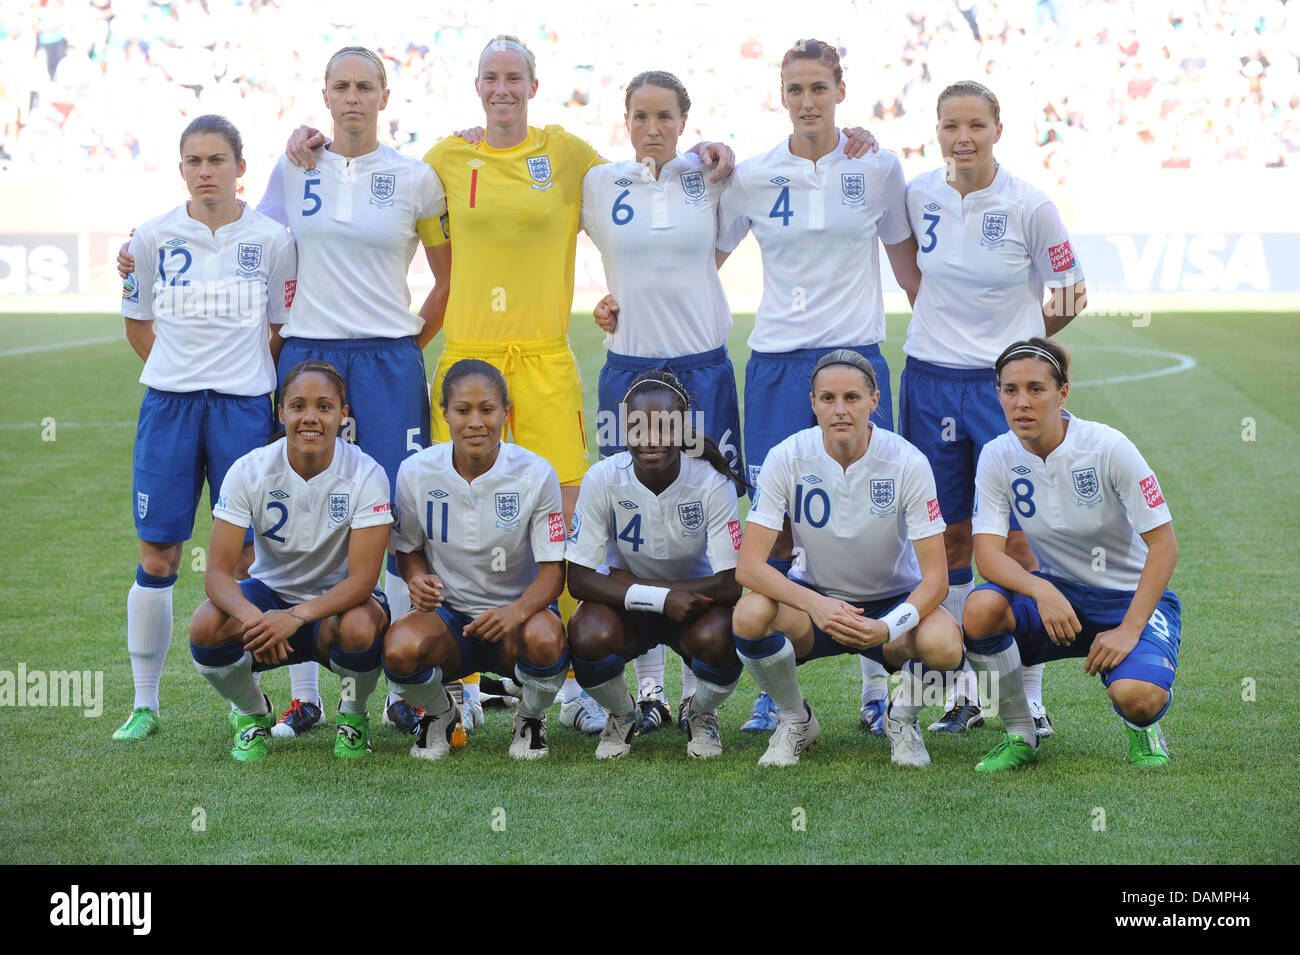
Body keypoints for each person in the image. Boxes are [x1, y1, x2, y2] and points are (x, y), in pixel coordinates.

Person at [120, 47, 449, 739]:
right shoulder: (292, 165)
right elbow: (247, 227)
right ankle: (305, 699)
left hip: (388, 360)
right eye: (341, 86)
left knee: (392, 524)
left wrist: (402, 349)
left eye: (365, 86)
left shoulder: (416, 178)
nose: (352, 96)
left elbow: (446, 280)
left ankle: (397, 686)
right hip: (306, 355)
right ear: (324, 96)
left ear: (386, 96)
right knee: (294, 522)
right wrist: (136, 252)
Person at [586, 68, 878, 735]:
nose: (652, 128)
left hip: (703, 370)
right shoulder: (599, 183)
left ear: (686, 124)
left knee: (709, 513)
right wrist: (610, 302)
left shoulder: (714, 175)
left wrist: (852, 136)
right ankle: (648, 692)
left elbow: (705, 255)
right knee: (628, 516)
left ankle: (700, 696)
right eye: (640, 116)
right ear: (625, 120)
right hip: (625, 367)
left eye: (665, 117)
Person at [715, 39, 921, 736]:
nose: (807, 101)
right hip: (776, 362)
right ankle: (778, 691)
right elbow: (705, 254)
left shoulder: (877, 167)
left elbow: (907, 268)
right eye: (795, 89)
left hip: (856, 354)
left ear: (840, 89)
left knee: (875, 511)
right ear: (782, 94)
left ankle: (875, 681)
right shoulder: (753, 175)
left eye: (818, 88)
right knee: (774, 524)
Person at [901, 80, 1087, 737]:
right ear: (938, 130)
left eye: (976, 125)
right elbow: (909, 273)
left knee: (1014, 539)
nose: (963, 137)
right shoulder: (918, 193)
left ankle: (1027, 692)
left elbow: (1071, 290)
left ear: (997, 130)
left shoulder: (1030, 205)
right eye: (951, 125)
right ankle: (959, 690)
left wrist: (1025, 360)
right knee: (946, 535)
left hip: (1001, 391)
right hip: (929, 381)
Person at [113, 113, 295, 741]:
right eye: (194, 161)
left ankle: (245, 696)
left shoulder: (271, 238)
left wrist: (236, 373)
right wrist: (177, 370)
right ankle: (145, 704)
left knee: (244, 555)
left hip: (244, 406)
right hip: (169, 406)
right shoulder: (152, 237)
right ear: (181, 168)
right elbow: (139, 323)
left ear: (241, 168)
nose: (205, 171)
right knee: (158, 551)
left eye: (217, 160)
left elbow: (279, 326)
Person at [732, 351, 963, 768]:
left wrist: (885, 626)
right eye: (828, 398)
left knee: (946, 646)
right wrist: (814, 603)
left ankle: (902, 720)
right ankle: (795, 719)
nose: (840, 410)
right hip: (814, 603)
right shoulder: (786, 457)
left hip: (890, 603)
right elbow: (749, 567)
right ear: (813, 403)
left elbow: (937, 582)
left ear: (875, 401)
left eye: (852, 398)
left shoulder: (907, 462)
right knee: (749, 614)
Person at [962, 339, 1181, 771]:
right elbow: (988, 557)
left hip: (1126, 597)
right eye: (1010, 390)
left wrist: (1128, 630)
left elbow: (1164, 546)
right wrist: (1041, 589)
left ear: (1062, 393)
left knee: (1138, 697)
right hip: (1058, 596)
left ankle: (1143, 730)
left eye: (1036, 389)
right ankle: (1021, 733)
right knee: (980, 609)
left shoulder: (1107, 446)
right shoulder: (996, 455)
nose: (1022, 403)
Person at [188, 360, 393, 761]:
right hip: (269, 599)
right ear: (280, 412)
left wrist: (296, 617)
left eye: (324, 406)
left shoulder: (366, 473)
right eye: (298, 406)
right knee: (206, 625)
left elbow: (364, 579)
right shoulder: (250, 470)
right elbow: (216, 573)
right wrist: (254, 618)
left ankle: (353, 716)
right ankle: (251, 714)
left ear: (343, 415)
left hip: (338, 605)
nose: (310, 417)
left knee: (359, 627)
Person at [382, 360, 570, 760]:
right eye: (463, 410)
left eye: (487, 409)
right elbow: (408, 549)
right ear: (444, 413)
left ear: (506, 411)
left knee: (546, 639)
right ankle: (440, 715)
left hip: (518, 616)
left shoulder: (536, 473)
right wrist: (415, 578)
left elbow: (554, 572)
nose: (475, 422)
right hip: (449, 619)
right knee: (400, 648)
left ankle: (530, 717)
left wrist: (515, 612)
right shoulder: (415, 472)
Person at [565, 370, 747, 759]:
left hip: (696, 609)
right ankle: (623, 713)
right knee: (587, 632)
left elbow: (731, 585)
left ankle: (700, 712)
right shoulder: (603, 478)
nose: (649, 439)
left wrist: (638, 583)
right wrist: (659, 598)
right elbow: (577, 578)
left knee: (723, 636)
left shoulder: (711, 482)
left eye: (664, 427)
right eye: (637, 426)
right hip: (631, 608)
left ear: (683, 429)